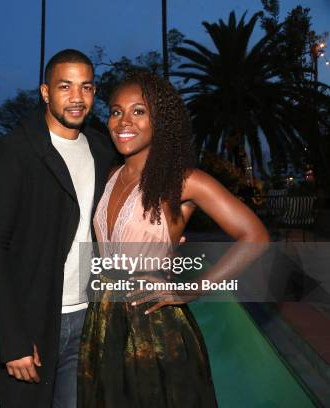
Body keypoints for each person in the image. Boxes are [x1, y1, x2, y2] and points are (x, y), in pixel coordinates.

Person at [77, 70, 269, 407]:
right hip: (103, 322)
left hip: (153, 328)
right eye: (117, 111)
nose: (125, 121)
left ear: (160, 121)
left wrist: (193, 287)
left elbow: (255, 236)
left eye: (139, 111)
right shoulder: (111, 175)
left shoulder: (184, 181)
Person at [0, 49, 117, 407]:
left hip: (88, 317)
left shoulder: (102, 151)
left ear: (94, 92)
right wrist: (12, 339)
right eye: (65, 86)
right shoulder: (14, 152)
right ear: (45, 92)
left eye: (85, 87)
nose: (76, 98)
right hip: (34, 322)